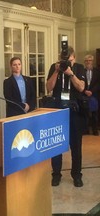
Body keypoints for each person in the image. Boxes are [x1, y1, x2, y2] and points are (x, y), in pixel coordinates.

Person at [46, 46, 86, 187]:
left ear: (74, 58)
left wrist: (70, 74)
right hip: (57, 111)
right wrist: (57, 71)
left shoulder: (79, 68)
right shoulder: (54, 67)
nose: (67, 63)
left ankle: (77, 175)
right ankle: (56, 174)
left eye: (69, 60)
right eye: (64, 61)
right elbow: (49, 88)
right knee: (56, 145)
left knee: (76, 146)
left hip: (75, 111)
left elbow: (81, 88)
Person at [83, 54, 100, 136]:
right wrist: (85, 91)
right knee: (85, 113)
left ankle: (95, 130)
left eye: (90, 60)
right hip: (84, 94)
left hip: (94, 95)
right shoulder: (81, 71)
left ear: (92, 61)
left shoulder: (97, 71)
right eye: (86, 61)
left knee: (95, 113)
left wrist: (91, 91)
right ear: (84, 62)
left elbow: (98, 83)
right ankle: (85, 130)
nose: (88, 62)